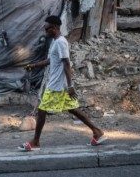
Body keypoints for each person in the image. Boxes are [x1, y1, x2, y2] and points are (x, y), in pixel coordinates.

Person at [19, 16, 106, 151]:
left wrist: (70, 86)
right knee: (73, 109)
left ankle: (36, 142)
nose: (45, 30)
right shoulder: (55, 42)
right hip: (59, 85)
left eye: (47, 28)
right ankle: (97, 131)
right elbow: (51, 60)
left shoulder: (61, 42)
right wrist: (34, 65)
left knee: (42, 110)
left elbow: (66, 63)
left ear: (55, 27)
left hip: (57, 85)